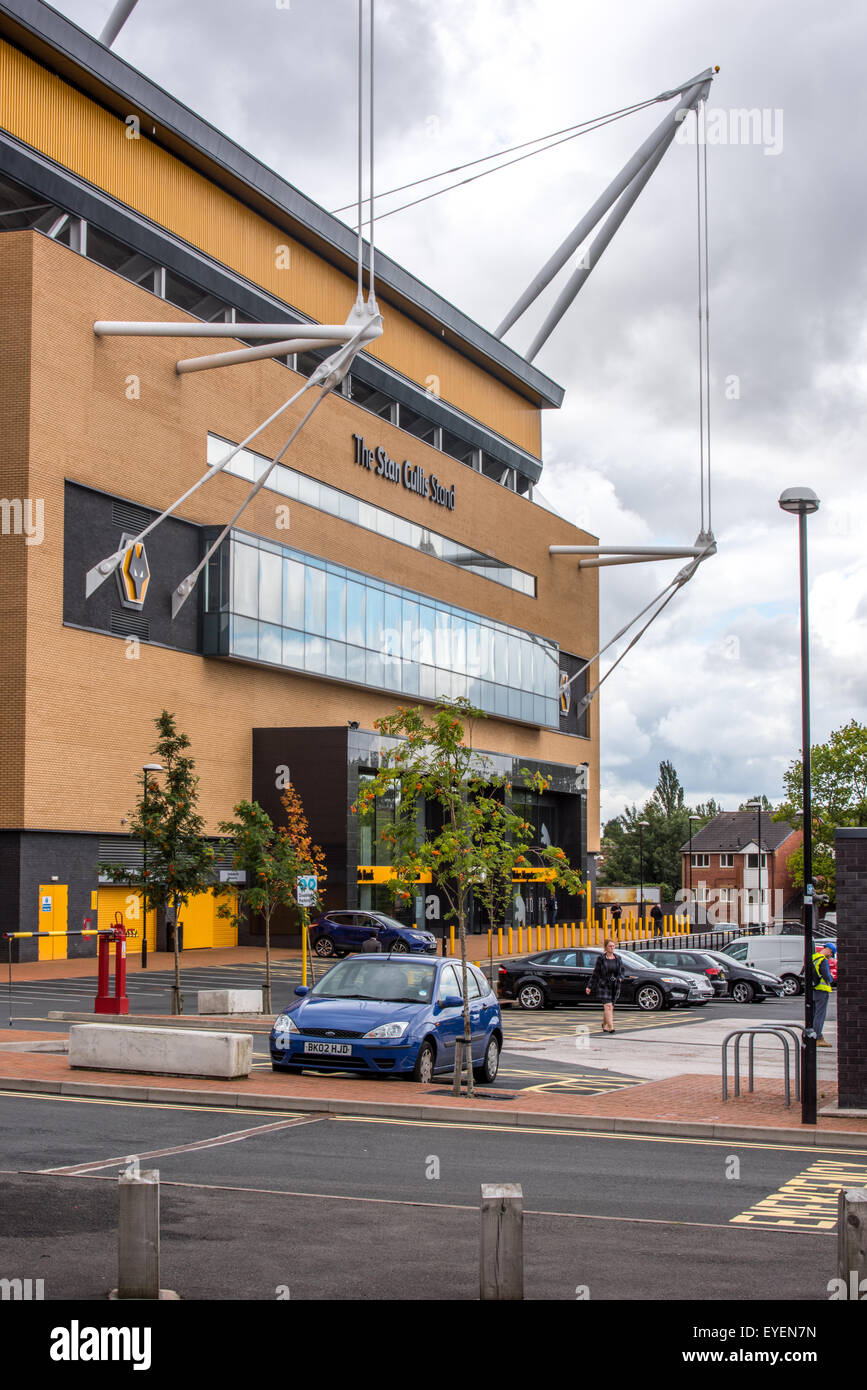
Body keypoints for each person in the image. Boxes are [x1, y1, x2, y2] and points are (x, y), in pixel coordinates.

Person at [586, 938, 624, 1033]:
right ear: (606, 948)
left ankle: (604, 1024)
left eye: (613, 946)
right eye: (610, 946)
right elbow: (596, 973)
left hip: (614, 985)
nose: (612, 948)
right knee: (608, 1006)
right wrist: (589, 986)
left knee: (610, 1007)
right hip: (604, 985)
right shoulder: (601, 959)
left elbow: (622, 971)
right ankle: (611, 1027)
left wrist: (620, 978)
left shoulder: (618, 958)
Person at [813, 944, 834, 1046]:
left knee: (813, 1014)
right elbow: (826, 975)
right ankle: (818, 1037)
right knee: (820, 1015)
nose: (830, 956)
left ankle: (812, 1036)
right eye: (831, 953)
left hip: (813, 989)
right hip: (821, 989)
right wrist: (831, 978)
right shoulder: (823, 960)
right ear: (828, 950)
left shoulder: (813, 957)